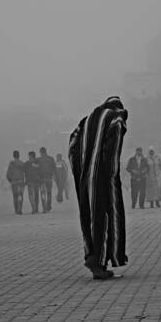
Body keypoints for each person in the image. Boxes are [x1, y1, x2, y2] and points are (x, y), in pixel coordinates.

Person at [68, 95, 128, 280]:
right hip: (103, 178)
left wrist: (80, 170)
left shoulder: (86, 121)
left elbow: (72, 144)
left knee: (89, 217)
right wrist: (111, 173)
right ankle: (99, 263)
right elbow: (112, 148)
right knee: (106, 217)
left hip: (85, 178)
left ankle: (92, 256)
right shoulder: (117, 117)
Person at [6, 151, 26, 215]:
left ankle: (16, 210)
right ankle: (19, 210)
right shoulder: (22, 163)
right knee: (20, 195)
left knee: (15, 196)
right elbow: (26, 173)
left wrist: (10, 180)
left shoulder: (11, 164)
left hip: (14, 183)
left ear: (13, 156)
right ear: (19, 155)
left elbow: (8, 174)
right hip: (21, 182)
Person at [38, 146, 56, 212]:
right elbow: (54, 168)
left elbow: (35, 168)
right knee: (49, 193)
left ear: (40, 152)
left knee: (43, 193)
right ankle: (48, 206)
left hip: (42, 179)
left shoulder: (38, 160)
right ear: (46, 151)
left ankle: (44, 207)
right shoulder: (51, 159)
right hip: (49, 178)